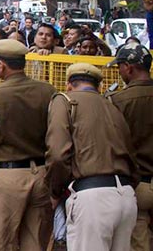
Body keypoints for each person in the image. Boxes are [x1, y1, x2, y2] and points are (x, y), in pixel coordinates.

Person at [0, 39, 56, 250]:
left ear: (1, 65)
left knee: (2, 240)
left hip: (8, 175)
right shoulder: (47, 91)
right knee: (36, 241)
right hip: (42, 173)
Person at [46, 63, 138, 250]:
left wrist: (55, 191)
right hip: (126, 196)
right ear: (99, 86)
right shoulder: (112, 105)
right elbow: (130, 151)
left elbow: (57, 154)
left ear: (69, 84)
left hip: (92, 198)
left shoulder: (64, 100)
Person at [105, 43, 153, 251]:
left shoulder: (117, 101)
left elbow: (110, 143)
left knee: (138, 235)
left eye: (120, 67)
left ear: (129, 68)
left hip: (137, 182)